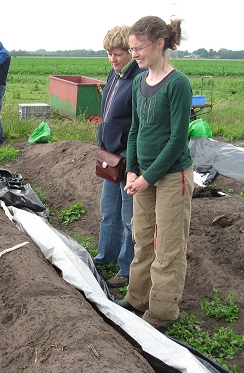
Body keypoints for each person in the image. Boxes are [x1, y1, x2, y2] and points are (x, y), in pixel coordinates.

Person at [117, 16, 194, 329]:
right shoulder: (138, 82)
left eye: (139, 48)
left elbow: (178, 140)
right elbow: (135, 129)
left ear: (160, 43)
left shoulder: (178, 84)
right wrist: (132, 170)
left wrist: (148, 176)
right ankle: (137, 297)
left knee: (168, 244)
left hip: (172, 175)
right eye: (132, 49)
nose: (135, 54)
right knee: (142, 236)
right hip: (143, 175)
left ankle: (161, 311)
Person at [94, 25, 146, 288]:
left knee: (129, 218)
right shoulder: (114, 76)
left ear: (131, 52)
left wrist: (132, 163)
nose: (113, 59)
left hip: (128, 158)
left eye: (118, 54)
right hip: (110, 156)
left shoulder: (140, 79)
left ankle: (126, 269)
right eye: (109, 54)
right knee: (108, 211)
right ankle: (105, 257)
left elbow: (139, 126)